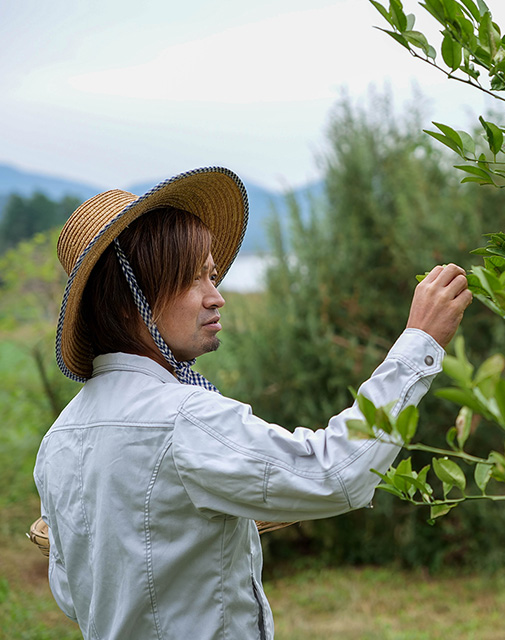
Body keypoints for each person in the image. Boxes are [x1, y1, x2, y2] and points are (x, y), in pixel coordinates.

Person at [33, 166, 472, 639]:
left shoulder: (59, 440)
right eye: (192, 280)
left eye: (213, 276)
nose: (215, 297)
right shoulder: (183, 420)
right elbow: (335, 473)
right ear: (128, 302)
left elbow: (74, 596)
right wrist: (419, 342)